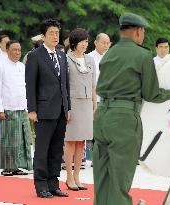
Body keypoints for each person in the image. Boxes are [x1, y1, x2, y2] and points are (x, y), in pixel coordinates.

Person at [93, 12, 170, 205]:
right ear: (138, 32)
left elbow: (100, 86)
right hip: (124, 118)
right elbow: (152, 94)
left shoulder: (110, 54)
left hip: (101, 116)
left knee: (102, 177)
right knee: (120, 178)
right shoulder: (142, 55)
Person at [25, 19, 71, 198]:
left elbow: (65, 84)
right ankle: (41, 185)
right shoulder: (35, 56)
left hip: (61, 110)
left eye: (57, 33)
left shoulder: (61, 55)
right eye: (51, 33)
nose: (55, 36)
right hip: (43, 110)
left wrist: (68, 108)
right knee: (42, 149)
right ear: (43, 35)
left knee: (56, 150)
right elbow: (30, 85)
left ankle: (54, 184)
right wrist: (32, 109)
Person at [64, 28, 96, 191]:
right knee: (70, 140)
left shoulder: (90, 60)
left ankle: (77, 176)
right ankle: (69, 177)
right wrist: (66, 107)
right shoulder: (66, 59)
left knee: (81, 141)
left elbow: (93, 84)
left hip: (86, 104)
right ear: (74, 42)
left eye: (86, 41)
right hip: (72, 103)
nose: (85, 44)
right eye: (82, 41)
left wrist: (94, 103)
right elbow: (63, 85)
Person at [0, 40, 32, 176]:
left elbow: (25, 88)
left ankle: (17, 166)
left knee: (21, 138)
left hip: (21, 106)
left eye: (19, 50)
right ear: (7, 50)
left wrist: (28, 107)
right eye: (14, 50)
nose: (17, 52)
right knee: (9, 139)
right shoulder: (1, 66)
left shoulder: (22, 67)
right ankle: (7, 167)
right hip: (7, 107)